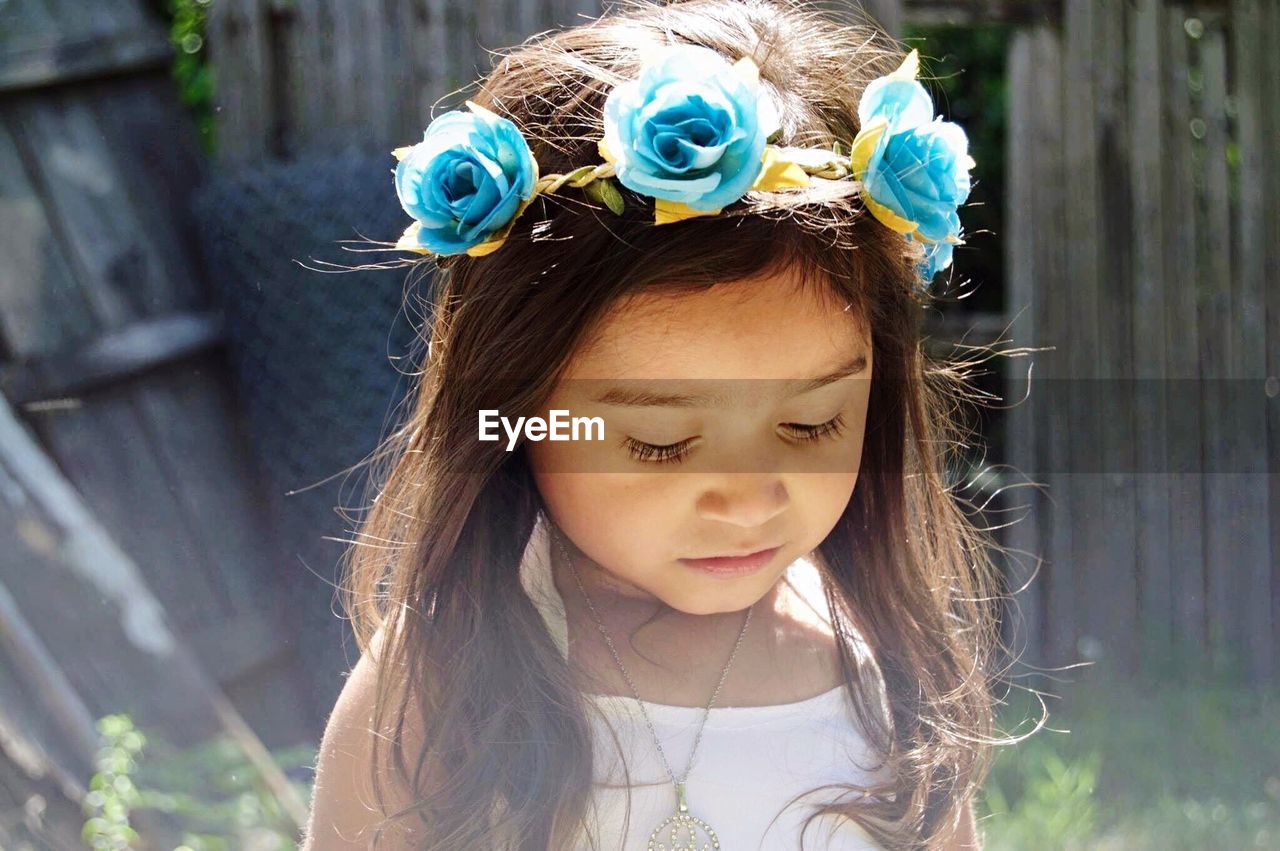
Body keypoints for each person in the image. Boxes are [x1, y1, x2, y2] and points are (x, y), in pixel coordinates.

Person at [303, 0, 1011, 848]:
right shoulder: (437, 687)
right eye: (660, 442)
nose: (747, 499)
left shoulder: (888, 689)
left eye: (813, 422)